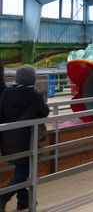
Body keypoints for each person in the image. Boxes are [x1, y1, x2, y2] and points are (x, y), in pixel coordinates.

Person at [0, 65, 50, 212]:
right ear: (32, 80)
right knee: (25, 169)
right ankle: (4, 195)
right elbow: (45, 112)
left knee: (20, 167)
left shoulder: (6, 93)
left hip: (7, 139)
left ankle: (23, 201)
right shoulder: (35, 96)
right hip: (26, 140)